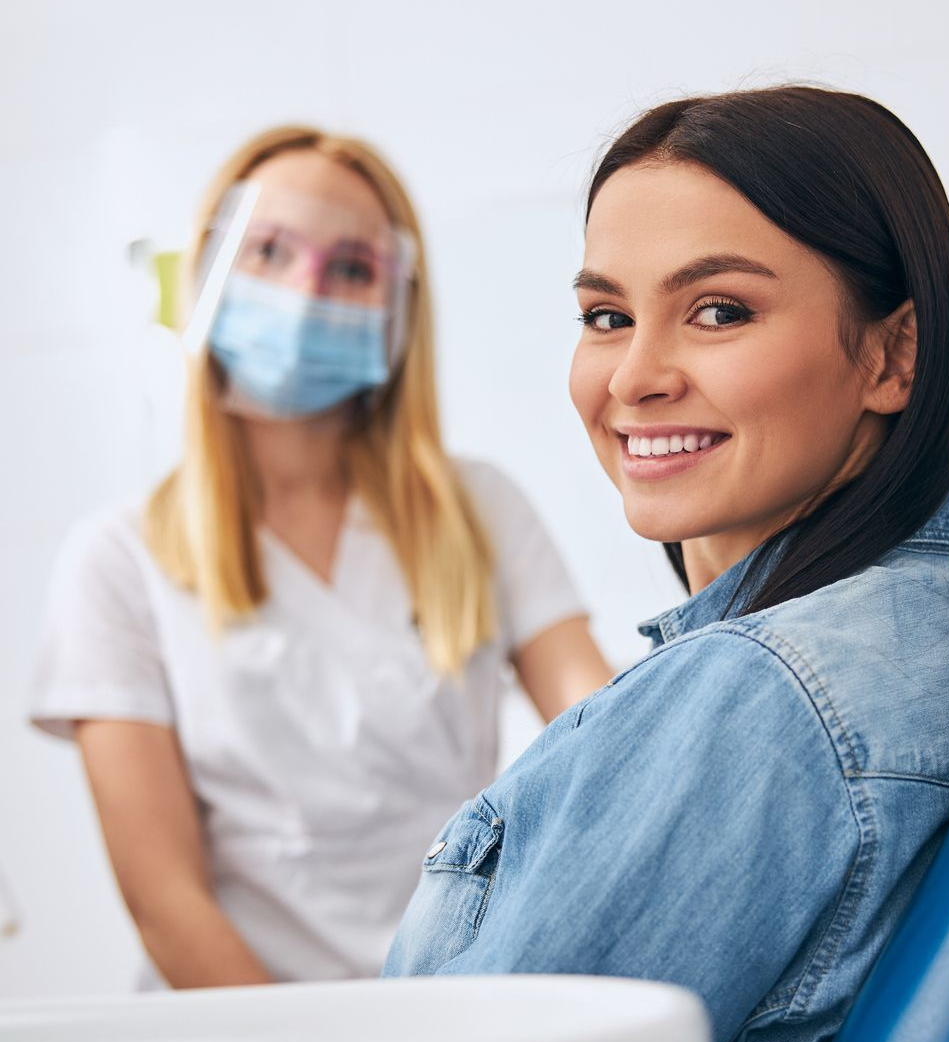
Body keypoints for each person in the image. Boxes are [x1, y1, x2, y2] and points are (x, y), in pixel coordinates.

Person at [383, 87, 949, 1042]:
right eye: (607, 315)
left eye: (717, 311)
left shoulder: (763, 699)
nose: (633, 376)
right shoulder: (877, 646)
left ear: (891, 358)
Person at [29, 126, 612, 989]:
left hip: (454, 1007)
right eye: (268, 251)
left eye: (349, 268)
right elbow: (165, 899)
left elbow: (604, 735)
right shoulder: (119, 560)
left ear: (397, 307)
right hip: (238, 1041)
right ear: (207, 276)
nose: (305, 293)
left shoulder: (477, 510)